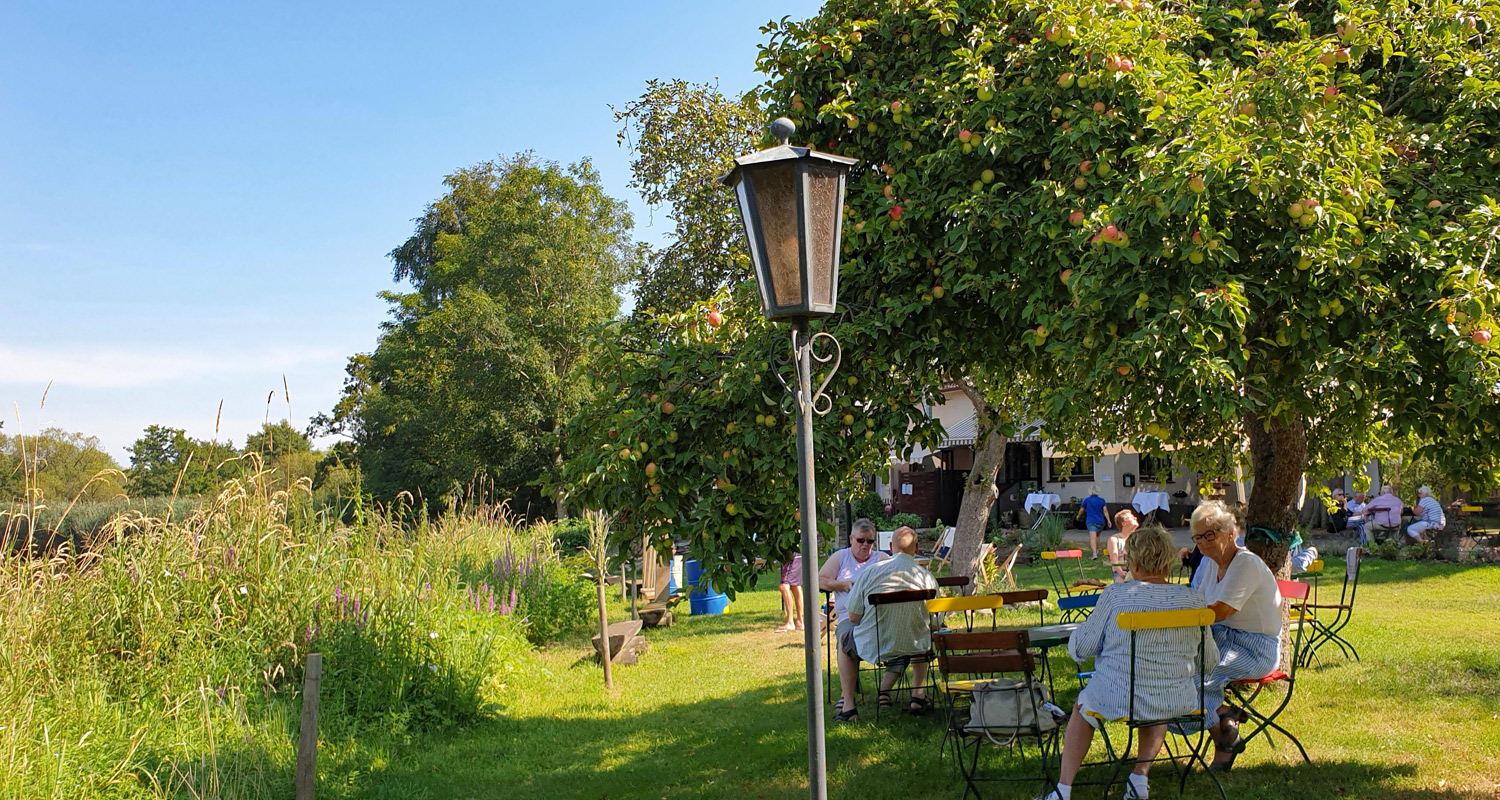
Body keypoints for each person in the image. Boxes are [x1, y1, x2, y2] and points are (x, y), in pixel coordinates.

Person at [1037, 526, 1215, 800]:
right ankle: (1139, 777)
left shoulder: (1116, 596)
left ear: (1132, 561)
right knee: (1156, 699)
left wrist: (1082, 646)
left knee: (1083, 705)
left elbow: (1082, 648)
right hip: (1177, 698)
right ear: (1169, 561)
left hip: (1121, 696)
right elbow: (1210, 662)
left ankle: (1063, 789)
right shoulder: (1193, 599)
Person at [1189, 500, 1282, 771]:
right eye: (1198, 537)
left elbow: (1220, 611)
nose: (1204, 543)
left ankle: (1221, 726)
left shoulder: (1246, 564)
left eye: (1210, 534)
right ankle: (1224, 723)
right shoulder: (1208, 563)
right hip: (1219, 637)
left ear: (1230, 532)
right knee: (1171, 665)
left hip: (1255, 649)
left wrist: (1178, 620)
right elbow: (1196, 600)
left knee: (1193, 673)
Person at [844, 527, 939, 716]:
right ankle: (917, 694)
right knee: (922, 632)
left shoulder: (871, 573)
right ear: (917, 548)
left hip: (876, 645)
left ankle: (847, 703)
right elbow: (936, 622)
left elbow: (853, 616)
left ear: (890, 547)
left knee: (844, 640)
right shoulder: (926, 577)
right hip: (916, 644)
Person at [818, 518, 890, 722]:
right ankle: (848, 700)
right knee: (846, 637)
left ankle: (885, 688)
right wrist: (843, 585)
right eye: (861, 540)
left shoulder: (881, 559)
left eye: (870, 541)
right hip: (848, 617)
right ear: (851, 539)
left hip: (879, 617)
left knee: (903, 633)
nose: (865, 545)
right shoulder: (841, 557)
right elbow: (819, 580)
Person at [1106, 508, 1139, 583]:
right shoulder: (1114, 539)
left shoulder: (1139, 538)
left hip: (1138, 572)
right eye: (1131, 517)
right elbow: (1114, 559)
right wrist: (1121, 572)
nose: (1135, 518)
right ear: (1123, 523)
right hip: (1122, 572)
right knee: (1125, 586)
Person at [1076, 487, 1110, 560]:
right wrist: (1108, 520)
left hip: (1091, 520)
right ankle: (1096, 550)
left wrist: (1078, 516)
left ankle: (1094, 554)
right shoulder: (1102, 500)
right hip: (1100, 521)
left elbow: (1082, 509)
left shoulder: (1087, 500)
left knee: (1092, 537)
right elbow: (1105, 511)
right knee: (1097, 536)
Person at [774, 552, 804, 633]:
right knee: (795, 585)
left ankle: (790, 622)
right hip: (798, 553)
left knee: (784, 586)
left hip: (791, 554)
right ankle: (799, 622)